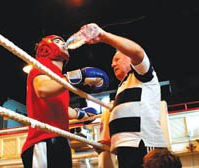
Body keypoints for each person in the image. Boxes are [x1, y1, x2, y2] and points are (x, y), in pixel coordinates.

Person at [74, 23, 168, 168]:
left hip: (144, 145)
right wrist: (112, 141)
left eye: (117, 60)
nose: (112, 65)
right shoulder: (123, 86)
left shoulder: (142, 74)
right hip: (127, 149)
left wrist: (103, 36)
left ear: (129, 58)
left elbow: (137, 51)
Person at [21, 35, 109, 168]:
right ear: (45, 48)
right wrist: (79, 76)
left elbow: (60, 109)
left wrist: (80, 114)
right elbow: (43, 89)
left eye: (63, 42)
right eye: (57, 42)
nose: (63, 44)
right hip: (43, 139)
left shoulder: (59, 80)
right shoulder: (40, 68)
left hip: (61, 139)